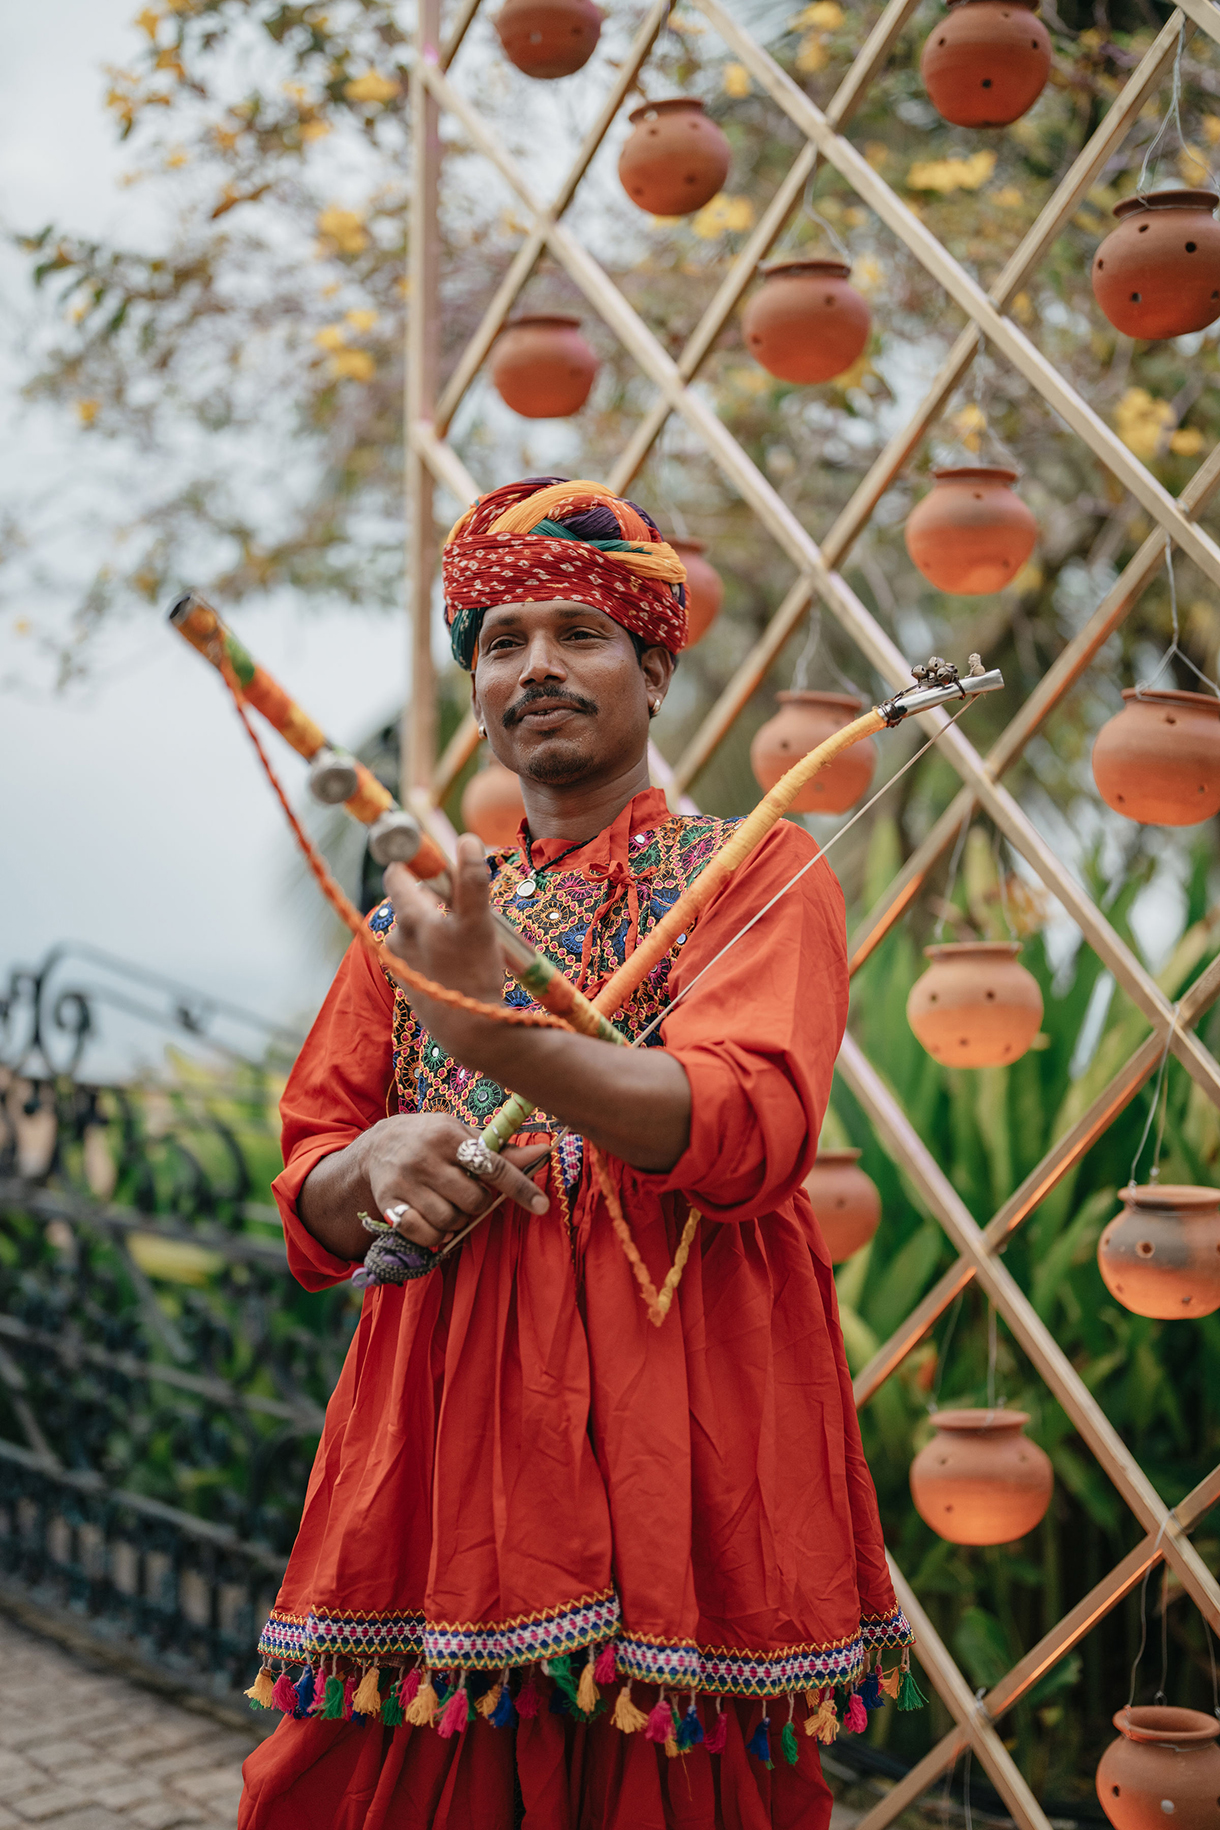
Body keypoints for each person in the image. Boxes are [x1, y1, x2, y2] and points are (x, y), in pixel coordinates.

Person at [238, 477, 914, 1830]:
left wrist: (491, 1034)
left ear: (655, 670)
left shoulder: (757, 871)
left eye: (580, 633)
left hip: (683, 1437)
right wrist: (380, 1162)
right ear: (480, 693)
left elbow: (744, 1127)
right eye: (502, 641)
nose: (535, 665)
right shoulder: (424, 917)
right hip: (447, 1448)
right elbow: (313, 1175)